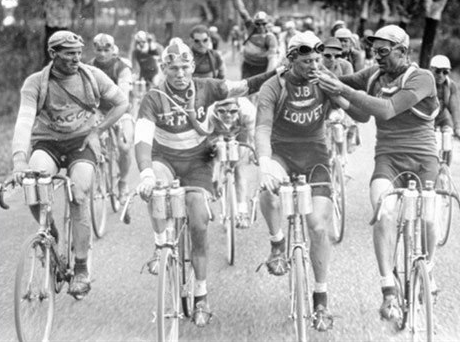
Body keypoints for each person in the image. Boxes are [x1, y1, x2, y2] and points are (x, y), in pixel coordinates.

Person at [134, 42, 282, 327]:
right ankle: (159, 245)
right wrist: (146, 174)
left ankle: (201, 294)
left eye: (184, 67)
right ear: (164, 69)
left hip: (199, 162)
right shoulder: (153, 97)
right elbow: (142, 138)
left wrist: (278, 71)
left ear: (192, 67)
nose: (179, 73)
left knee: (199, 223)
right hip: (163, 159)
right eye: (173, 68)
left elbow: (245, 86)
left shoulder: (207, 87)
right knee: (157, 192)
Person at [316, 25, 440, 321]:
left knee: (429, 217)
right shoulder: (373, 75)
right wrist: (316, 71)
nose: (378, 57)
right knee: (383, 212)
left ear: (403, 51)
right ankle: (388, 290)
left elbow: (385, 110)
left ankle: (430, 270)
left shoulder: (422, 78)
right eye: (374, 52)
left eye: (384, 51)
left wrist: (343, 91)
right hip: (388, 158)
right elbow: (357, 108)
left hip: (424, 159)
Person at [11, 30, 129, 298]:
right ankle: (49, 232)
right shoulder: (35, 83)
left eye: (79, 53)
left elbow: (122, 102)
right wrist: (19, 159)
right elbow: (24, 121)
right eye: (69, 54)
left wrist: (97, 131)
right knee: (33, 185)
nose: (76, 58)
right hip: (48, 142)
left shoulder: (92, 76)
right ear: (53, 54)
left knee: (79, 193)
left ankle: (80, 268)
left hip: (81, 144)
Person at [255, 31, 351, 332]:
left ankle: (321, 297)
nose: (314, 65)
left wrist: (341, 96)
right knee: (267, 190)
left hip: (316, 157)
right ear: (292, 58)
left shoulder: (323, 81)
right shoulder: (274, 86)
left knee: (318, 226)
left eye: (317, 60)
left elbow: (357, 112)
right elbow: (261, 128)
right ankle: (277, 243)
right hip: (281, 152)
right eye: (307, 60)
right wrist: (264, 162)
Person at [90, 33, 134, 203]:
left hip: (120, 109)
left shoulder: (121, 68)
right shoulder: (88, 67)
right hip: (98, 110)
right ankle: (97, 176)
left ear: (112, 49)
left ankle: (123, 182)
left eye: (106, 49)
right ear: (94, 49)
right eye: (98, 49)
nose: (102, 54)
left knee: (124, 147)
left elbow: (123, 95)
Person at [208, 97, 256, 228]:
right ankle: (217, 184)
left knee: (239, 168)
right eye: (222, 111)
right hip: (217, 132)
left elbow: (253, 135)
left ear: (239, 109)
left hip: (240, 131)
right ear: (216, 110)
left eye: (232, 111)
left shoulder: (247, 111)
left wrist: (253, 152)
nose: (227, 115)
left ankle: (242, 211)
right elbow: (205, 138)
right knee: (214, 159)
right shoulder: (209, 113)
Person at [321, 37, 360, 153]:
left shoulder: (346, 66)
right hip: (321, 105)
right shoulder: (315, 65)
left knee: (339, 128)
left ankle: (341, 157)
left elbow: (348, 90)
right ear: (321, 54)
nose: (332, 59)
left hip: (339, 104)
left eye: (337, 56)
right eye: (328, 56)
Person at [232, 0, 279, 78]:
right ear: (254, 23)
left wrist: (268, 76)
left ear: (267, 24)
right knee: (245, 88)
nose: (260, 26)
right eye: (258, 23)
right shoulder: (251, 28)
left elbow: (272, 59)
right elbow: (242, 11)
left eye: (263, 24)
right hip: (247, 65)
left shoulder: (270, 38)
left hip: (262, 67)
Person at [430, 54, 460, 142]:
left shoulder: (450, 86)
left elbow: (455, 108)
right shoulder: (424, 82)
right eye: (438, 71)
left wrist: (457, 127)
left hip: (442, 119)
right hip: (426, 120)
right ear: (431, 69)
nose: (441, 75)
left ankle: (447, 155)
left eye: (445, 72)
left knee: (448, 139)